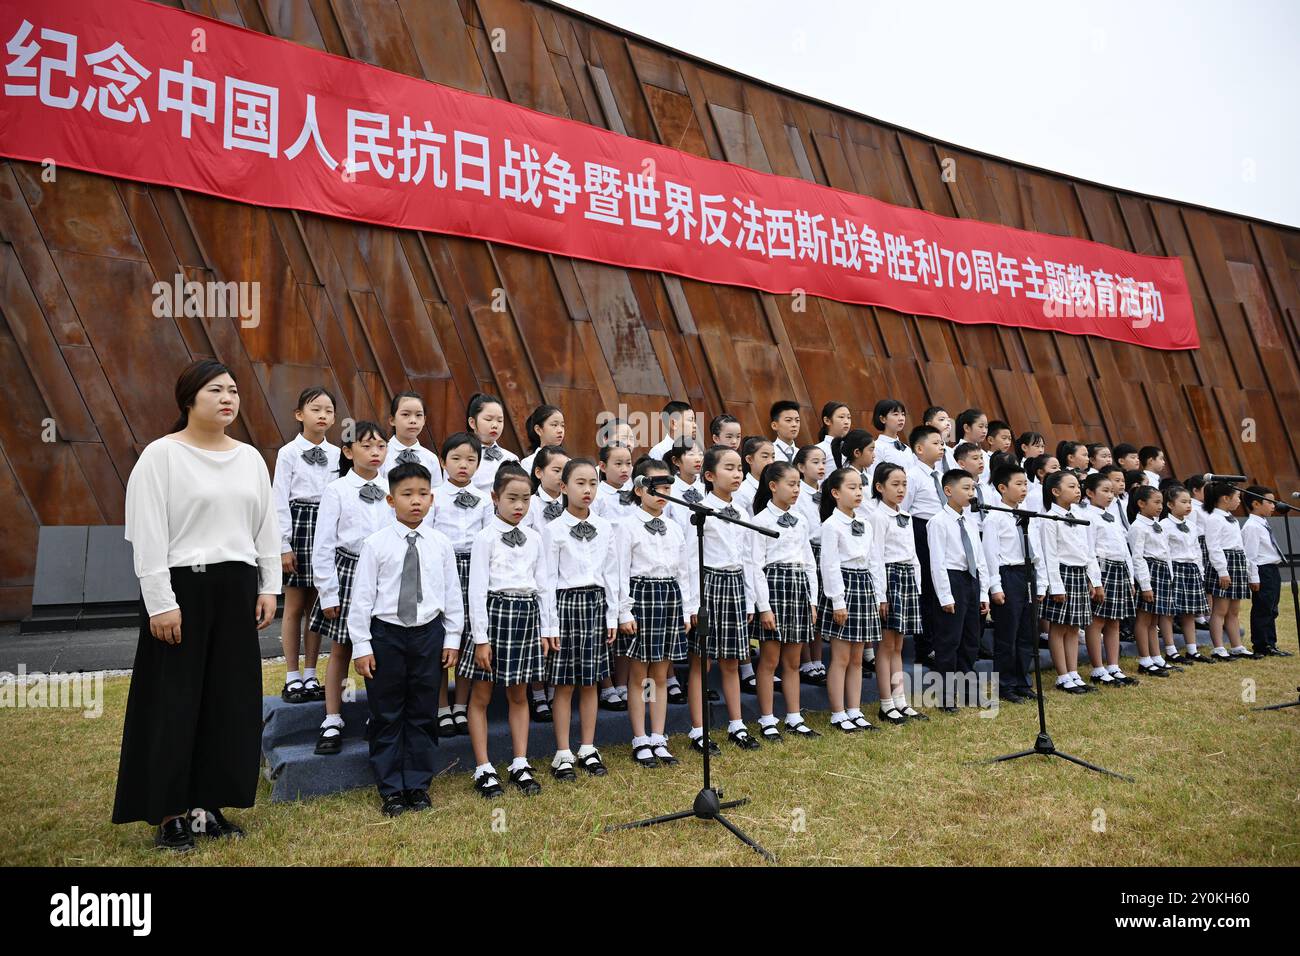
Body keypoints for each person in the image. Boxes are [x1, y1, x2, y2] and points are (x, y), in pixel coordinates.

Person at [114, 359, 281, 850]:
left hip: (236, 589)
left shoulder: (249, 458)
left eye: (233, 390)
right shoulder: (161, 457)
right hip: (181, 591)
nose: (228, 398)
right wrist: (160, 602)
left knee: (229, 700)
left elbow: (265, 528)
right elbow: (146, 536)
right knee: (174, 701)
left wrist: (268, 585)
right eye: (216, 390)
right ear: (189, 398)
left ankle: (209, 806)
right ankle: (169, 813)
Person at [349, 463, 462, 816]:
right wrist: (362, 645)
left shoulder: (442, 544)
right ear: (390, 499)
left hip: (428, 634)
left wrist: (452, 638)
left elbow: (452, 594)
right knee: (386, 712)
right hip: (387, 636)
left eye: (423, 494)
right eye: (407, 494)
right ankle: (391, 789)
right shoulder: (375, 545)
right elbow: (362, 599)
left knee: (422, 711)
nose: (416, 501)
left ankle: (417, 784)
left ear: (432, 499)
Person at [460, 469, 556, 797]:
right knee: (482, 694)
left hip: (526, 615)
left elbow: (544, 585)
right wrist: (481, 639)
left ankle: (519, 761)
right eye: (511, 498)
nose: (519, 505)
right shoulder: (484, 538)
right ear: (494, 498)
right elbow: (476, 591)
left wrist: (547, 628)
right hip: (495, 615)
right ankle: (483, 767)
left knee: (519, 693)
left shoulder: (535, 538)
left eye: (526, 499)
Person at [309, 421, 391, 754]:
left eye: (381, 446)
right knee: (342, 647)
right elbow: (324, 544)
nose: (375, 452)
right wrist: (328, 591)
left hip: (385, 575)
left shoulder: (392, 488)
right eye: (367, 446)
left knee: (380, 647)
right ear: (347, 451)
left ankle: (378, 715)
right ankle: (333, 717)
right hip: (347, 571)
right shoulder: (337, 490)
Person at [542, 458, 620, 780]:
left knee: (591, 681)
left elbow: (612, 573)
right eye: (579, 483)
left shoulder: (605, 527)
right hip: (566, 604)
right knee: (564, 683)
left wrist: (613, 614)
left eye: (593, 484)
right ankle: (563, 752)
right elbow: (546, 579)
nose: (587, 490)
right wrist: (550, 624)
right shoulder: (552, 530)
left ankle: (588, 746)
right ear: (563, 487)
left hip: (595, 603)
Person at [617, 457, 698, 766]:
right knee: (640, 673)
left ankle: (658, 736)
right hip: (641, 595)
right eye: (656, 488)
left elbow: (684, 571)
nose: (662, 494)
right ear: (639, 489)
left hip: (669, 596)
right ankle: (640, 737)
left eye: (667, 488)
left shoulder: (676, 528)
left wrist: (687, 608)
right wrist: (625, 611)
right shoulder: (626, 526)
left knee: (660, 673)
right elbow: (620, 571)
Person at [688, 445, 760, 753]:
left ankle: (737, 724)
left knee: (732, 659)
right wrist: (693, 603)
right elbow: (690, 560)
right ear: (709, 475)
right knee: (701, 661)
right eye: (728, 468)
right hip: (709, 584)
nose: (736, 474)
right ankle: (698, 731)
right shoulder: (699, 512)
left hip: (734, 585)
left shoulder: (742, 512)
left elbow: (749, 559)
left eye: (739, 468)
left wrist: (750, 599)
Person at [273, 386, 339, 704]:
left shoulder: (340, 455)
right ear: (300, 415)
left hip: (327, 528)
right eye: (316, 409)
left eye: (328, 410)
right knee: (294, 605)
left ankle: (311, 673)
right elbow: (279, 500)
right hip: (298, 525)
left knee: (317, 607)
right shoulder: (288, 453)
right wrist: (283, 544)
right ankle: (291, 675)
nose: (323, 415)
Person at [750, 462, 822, 740]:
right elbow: (755, 566)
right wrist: (764, 607)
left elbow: (809, 563)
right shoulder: (760, 522)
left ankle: (794, 716)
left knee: (792, 660)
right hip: (774, 587)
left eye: (798, 484)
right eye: (791, 484)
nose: (796, 490)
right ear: (772, 486)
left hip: (799, 588)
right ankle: (767, 719)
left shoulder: (802, 519)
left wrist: (813, 601)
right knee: (770, 659)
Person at [430, 433, 492, 735]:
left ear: (479, 464)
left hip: (475, 569)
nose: (463, 465)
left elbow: (489, 538)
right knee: (444, 636)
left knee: (469, 637)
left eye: (470, 459)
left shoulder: (484, 499)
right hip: (443, 567)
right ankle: (442, 706)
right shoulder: (433, 496)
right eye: (455, 458)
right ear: (443, 462)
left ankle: (461, 706)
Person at [819, 467, 885, 732]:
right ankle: (838, 713)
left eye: (860, 487)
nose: (858, 492)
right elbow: (829, 565)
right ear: (835, 493)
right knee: (841, 657)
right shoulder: (831, 525)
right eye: (851, 487)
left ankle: (855, 710)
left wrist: (879, 595)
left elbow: (875, 561)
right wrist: (838, 601)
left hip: (864, 585)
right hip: (844, 586)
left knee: (858, 657)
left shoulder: (867, 524)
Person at [982, 462, 1048, 703]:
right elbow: (990, 554)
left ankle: (1023, 681)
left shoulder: (1026, 515)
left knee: (1027, 635)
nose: (1023, 489)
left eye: (1025, 484)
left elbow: (1036, 550)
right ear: (1002, 488)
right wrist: (995, 586)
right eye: (1018, 484)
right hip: (1007, 575)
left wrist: (1040, 584)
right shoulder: (994, 518)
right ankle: (1006, 685)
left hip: (1027, 574)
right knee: (1007, 636)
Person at [927, 469, 990, 711]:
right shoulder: (938, 522)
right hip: (952, 581)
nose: (971, 493)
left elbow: (980, 558)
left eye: (973, 488)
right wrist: (945, 596)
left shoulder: (971, 522)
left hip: (971, 580)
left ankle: (967, 691)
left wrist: (983, 593)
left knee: (970, 640)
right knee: (948, 641)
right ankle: (944, 696)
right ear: (948, 490)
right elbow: (937, 563)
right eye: (965, 488)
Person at [870, 462, 928, 721]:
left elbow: (913, 555)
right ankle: (886, 704)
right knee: (885, 645)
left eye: (904, 484)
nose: (901, 489)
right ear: (879, 487)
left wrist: (916, 585)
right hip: (889, 577)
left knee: (898, 645)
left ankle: (901, 701)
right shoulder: (877, 516)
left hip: (906, 578)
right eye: (895, 484)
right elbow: (876, 556)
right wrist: (881, 595)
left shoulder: (906, 515)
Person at [1038, 471, 1102, 695]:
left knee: (1074, 627)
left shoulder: (1080, 516)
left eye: (1078, 486)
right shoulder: (1048, 519)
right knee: (1059, 627)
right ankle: (1062, 676)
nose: (1078, 490)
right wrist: (1055, 586)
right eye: (1072, 486)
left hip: (1079, 574)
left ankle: (1074, 673)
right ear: (1055, 491)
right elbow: (1050, 555)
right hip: (1062, 575)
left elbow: (1088, 551)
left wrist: (1094, 580)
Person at [1080, 472, 1138, 687]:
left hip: (1119, 567)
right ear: (1089, 493)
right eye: (1105, 491)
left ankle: (1113, 666)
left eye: (1112, 492)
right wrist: (1095, 581)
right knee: (1097, 621)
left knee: (1115, 621)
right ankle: (1097, 668)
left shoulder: (1111, 515)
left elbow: (1124, 549)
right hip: (1102, 568)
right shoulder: (1089, 517)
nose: (1110, 496)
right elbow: (1089, 550)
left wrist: (1130, 578)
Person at [1203, 481, 1258, 659]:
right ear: (1226, 498)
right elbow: (1214, 546)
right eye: (1237, 497)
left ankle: (1237, 646)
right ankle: (1218, 648)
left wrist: (1248, 571)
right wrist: (1222, 571)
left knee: (1234, 610)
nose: (1239, 501)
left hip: (1237, 561)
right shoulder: (1214, 518)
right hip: (1224, 563)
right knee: (1220, 610)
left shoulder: (1231, 518)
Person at [1128, 486, 1178, 678]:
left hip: (1162, 571)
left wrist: (1170, 575)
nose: (1160, 506)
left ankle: (1156, 657)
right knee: (1144, 618)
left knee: (1154, 618)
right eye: (1156, 502)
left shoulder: (1158, 524)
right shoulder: (1138, 527)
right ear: (1141, 503)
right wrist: (1145, 585)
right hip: (1149, 572)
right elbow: (1137, 557)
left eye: (1161, 502)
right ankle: (1144, 659)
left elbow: (1166, 552)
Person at [1242, 486, 1288, 657]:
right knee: (1263, 608)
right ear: (1255, 503)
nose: (1274, 506)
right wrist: (1253, 577)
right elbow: (1250, 555)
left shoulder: (1262, 523)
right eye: (1269, 502)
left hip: (1271, 569)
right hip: (1262, 571)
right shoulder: (1252, 527)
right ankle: (1262, 645)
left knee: (1272, 608)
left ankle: (1271, 643)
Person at [381, 391, 443, 485]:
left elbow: (436, 494)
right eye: (405, 414)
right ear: (392, 420)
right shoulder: (382, 455)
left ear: (424, 420)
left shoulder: (431, 458)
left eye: (418, 415)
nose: (413, 421)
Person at [467, 392, 517, 490]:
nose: (495, 425)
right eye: (488, 419)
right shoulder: (460, 455)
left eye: (500, 420)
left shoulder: (511, 458)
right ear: (472, 423)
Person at [519, 404, 565, 478]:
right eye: (554, 425)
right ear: (538, 430)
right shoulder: (528, 463)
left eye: (562, 425)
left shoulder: (569, 462)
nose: (560, 430)